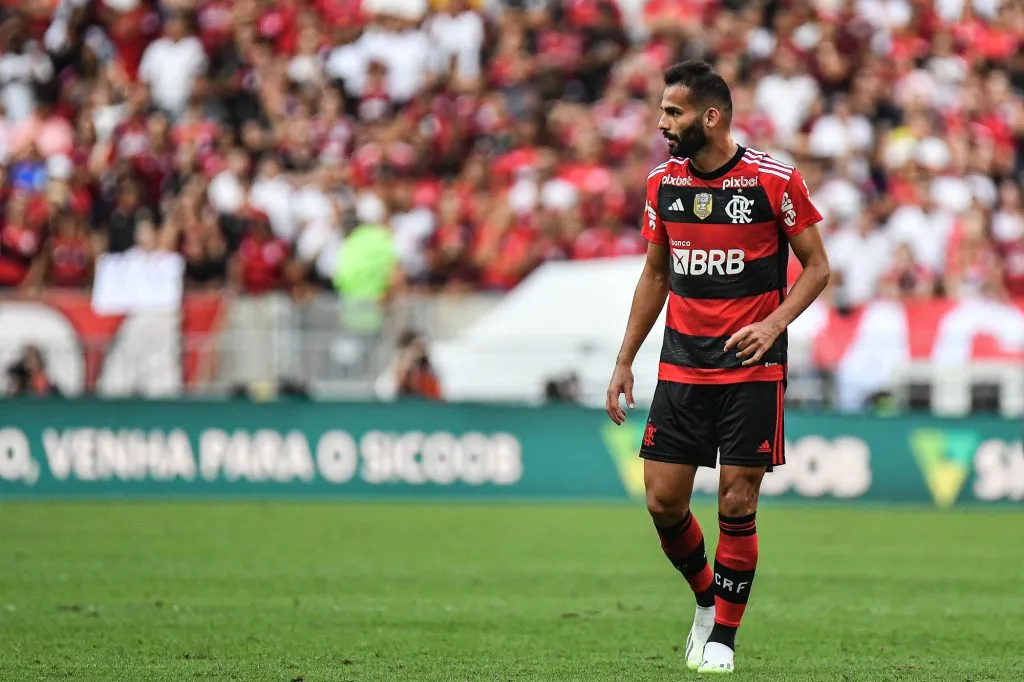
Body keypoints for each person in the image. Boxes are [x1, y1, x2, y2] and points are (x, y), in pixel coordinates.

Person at [605, 61, 830, 674]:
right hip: (681, 363)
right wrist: (624, 360)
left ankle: (724, 639)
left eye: (671, 113)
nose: (661, 123)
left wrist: (773, 323)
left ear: (710, 116)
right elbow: (654, 273)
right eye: (660, 111)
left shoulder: (774, 181)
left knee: (736, 498)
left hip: (751, 367)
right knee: (662, 502)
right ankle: (708, 597)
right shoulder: (662, 185)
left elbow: (817, 267)